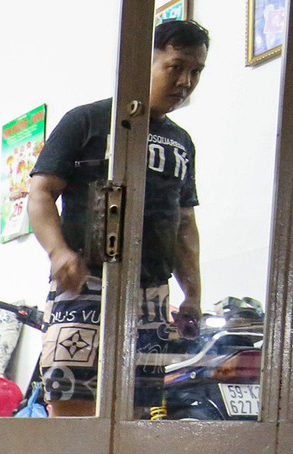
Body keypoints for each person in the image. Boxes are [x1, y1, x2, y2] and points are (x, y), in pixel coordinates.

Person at [27, 18, 208, 417]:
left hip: (151, 295)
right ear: (143, 63)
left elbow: (183, 224)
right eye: (175, 67)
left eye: (195, 71)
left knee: (136, 416)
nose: (185, 81)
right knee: (71, 412)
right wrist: (58, 252)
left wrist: (192, 293)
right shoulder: (87, 121)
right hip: (85, 284)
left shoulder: (182, 143)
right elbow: (40, 194)